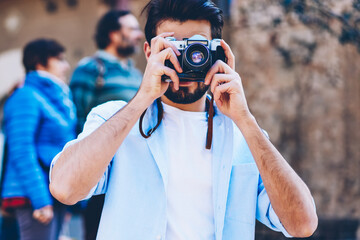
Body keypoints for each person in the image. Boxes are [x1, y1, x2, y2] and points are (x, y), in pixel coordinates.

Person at [50, 0, 318, 239]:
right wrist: (142, 98)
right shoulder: (115, 119)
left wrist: (245, 119)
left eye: (197, 47)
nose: (186, 59)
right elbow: (65, 188)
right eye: (174, 48)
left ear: (219, 53)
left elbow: (302, 225)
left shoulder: (242, 133)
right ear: (148, 53)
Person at [69, 10, 144, 240]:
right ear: (113, 34)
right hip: (101, 171)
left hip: (136, 170)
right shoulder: (90, 69)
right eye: (132, 29)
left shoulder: (136, 74)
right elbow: (77, 119)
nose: (140, 35)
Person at [2, 39, 76, 240]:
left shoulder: (57, 97)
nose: (66, 65)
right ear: (39, 63)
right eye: (59, 59)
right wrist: (40, 200)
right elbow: (21, 150)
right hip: (33, 195)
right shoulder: (26, 96)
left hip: (53, 193)